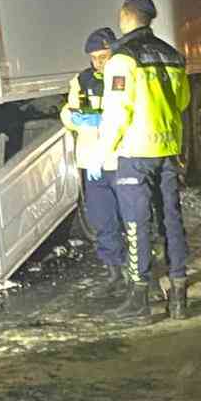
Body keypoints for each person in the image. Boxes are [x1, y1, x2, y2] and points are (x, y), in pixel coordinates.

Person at [100, 0, 192, 321]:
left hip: (134, 152)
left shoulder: (123, 58)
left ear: (126, 17)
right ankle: (179, 297)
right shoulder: (172, 55)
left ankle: (139, 300)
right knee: (171, 221)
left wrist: (107, 151)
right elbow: (181, 102)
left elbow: (116, 111)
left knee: (137, 223)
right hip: (167, 150)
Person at [60, 27, 124, 292]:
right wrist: (74, 118)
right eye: (94, 57)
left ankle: (137, 271)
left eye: (104, 55)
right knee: (101, 218)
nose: (99, 62)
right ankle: (113, 272)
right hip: (92, 161)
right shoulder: (82, 80)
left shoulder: (123, 76)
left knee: (130, 217)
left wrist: (98, 120)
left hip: (119, 158)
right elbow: (68, 111)